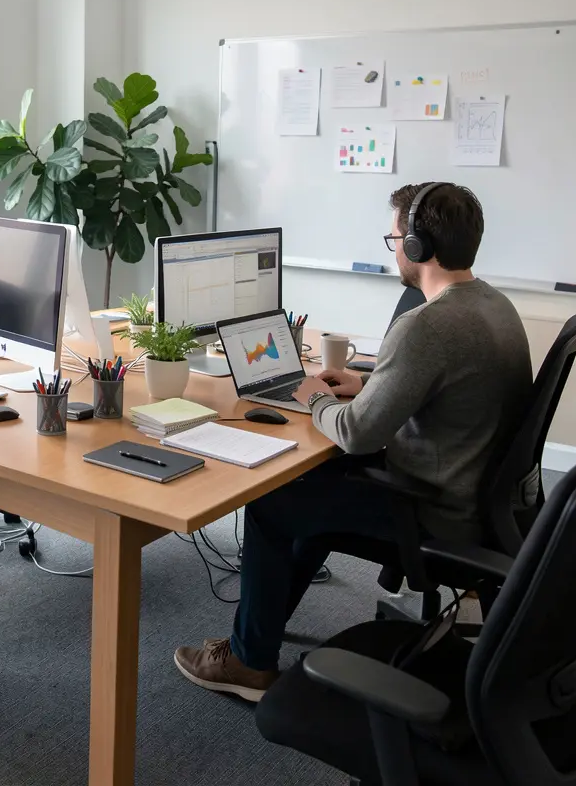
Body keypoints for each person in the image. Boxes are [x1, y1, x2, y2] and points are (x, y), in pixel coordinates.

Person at [174, 182, 532, 701]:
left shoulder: (427, 325)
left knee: (272, 503)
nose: (393, 249)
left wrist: (315, 396)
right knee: (310, 482)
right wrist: (369, 387)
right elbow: (452, 393)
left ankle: (250, 663)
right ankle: (256, 635)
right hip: (470, 491)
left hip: (430, 507)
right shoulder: (495, 306)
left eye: (394, 238)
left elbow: (358, 435)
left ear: (417, 247)